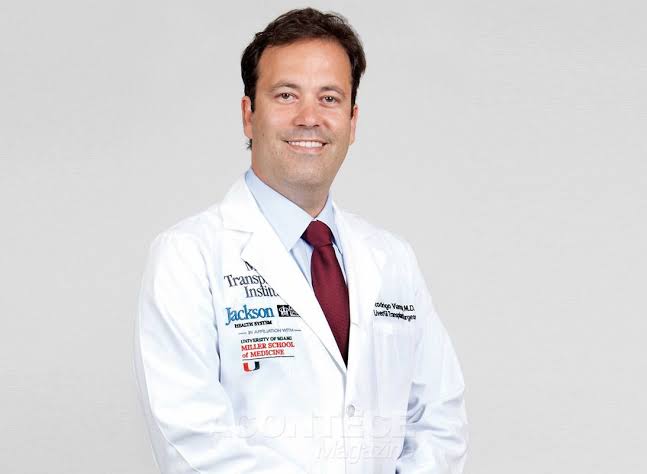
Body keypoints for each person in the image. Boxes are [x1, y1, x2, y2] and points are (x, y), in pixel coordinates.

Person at [134, 7, 468, 474]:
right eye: (286, 95)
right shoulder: (187, 257)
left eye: (329, 98)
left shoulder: (392, 258)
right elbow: (192, 442)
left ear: (352, 121)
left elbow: (439, 420)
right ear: (249, 115)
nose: (309, 118)